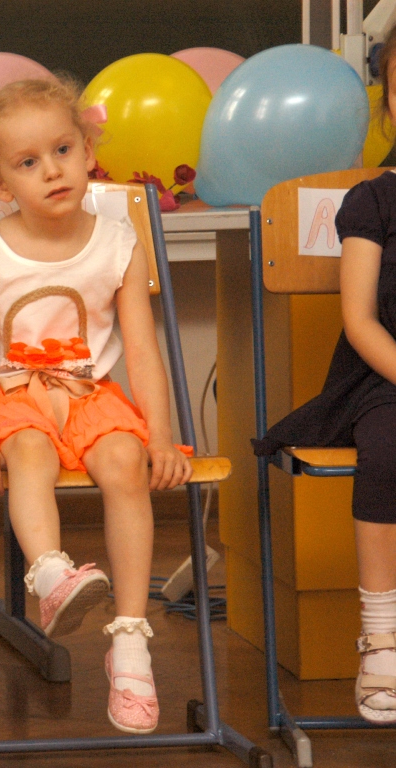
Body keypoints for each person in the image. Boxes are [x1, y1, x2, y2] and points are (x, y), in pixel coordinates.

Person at [0, 78, 193, 734]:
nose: (52, 170)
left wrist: (160, 435)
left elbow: (142, 351)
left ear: (87, 150)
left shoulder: (117, 242)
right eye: (28, 161)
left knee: (125, 460)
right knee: (29, 450)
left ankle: (129, 640)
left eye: (63, 150)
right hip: (9, 396)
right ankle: (49, 576)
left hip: (87, 392)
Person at [253, 28, 396, 726]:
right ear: (388, 106)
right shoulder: (373, 202)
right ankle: (382, 638)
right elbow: (360, 321)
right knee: (388, 447)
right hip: (382, 378)